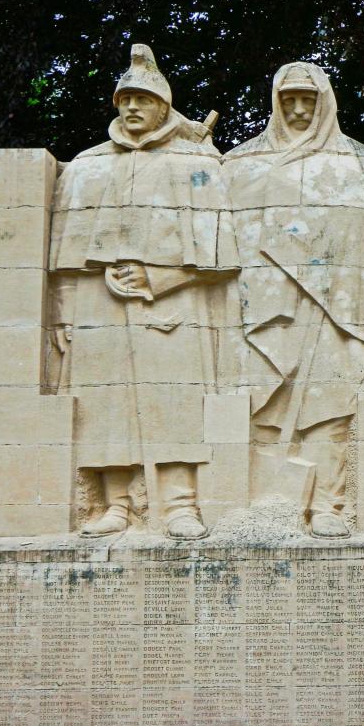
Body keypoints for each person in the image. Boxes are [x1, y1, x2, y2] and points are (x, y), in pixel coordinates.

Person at [49, 44, 236, 539]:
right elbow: (63, 258)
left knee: (175, 403)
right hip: (97, 303)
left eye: (143, 99)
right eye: (124, 99)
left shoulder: (193, 162)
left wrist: (162, 278)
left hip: (174, 301)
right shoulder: (88, 166)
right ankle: (117, 504)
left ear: (163, 106)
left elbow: (220, 251)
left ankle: (180, 505)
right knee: (104, 408)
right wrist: (65, 315)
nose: (132, 107)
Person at [223, 62, 364, 538]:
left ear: (325, 102)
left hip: (335, 308)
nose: (297, 109)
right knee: (263, 401)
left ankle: (327, 506)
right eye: (288, 99)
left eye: (308, 100)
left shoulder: (363, 163)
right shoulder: (239, 164)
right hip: (264, 308)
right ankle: (267, 501)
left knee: (331, 404)